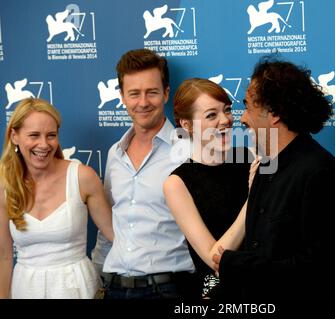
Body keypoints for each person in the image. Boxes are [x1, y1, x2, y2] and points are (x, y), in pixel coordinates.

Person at [212, 57, 335, 299]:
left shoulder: (320, 172)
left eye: (248, 106)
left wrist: (236, 265)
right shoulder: (264, 168)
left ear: (274, 112)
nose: (242, 118)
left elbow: (321, 270)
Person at [91, 49, 195, 299]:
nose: (143, 102)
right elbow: (110, 224)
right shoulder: (115, 153)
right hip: (114, 288)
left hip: (168, 289)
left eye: (152, 92)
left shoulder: (190, 151)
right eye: (134, 93)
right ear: (122, 97)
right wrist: (96, 281)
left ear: (166, 93)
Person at [0, 97, 114, 299]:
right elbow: (4, 256)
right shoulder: (4, 185)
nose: (43, 144)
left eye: (51, 135)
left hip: (78, 288)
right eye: (34, 135)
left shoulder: (82, 177)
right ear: (14, 136)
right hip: (25, 289)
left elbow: (115, 236)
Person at [163, 78, 256, 298]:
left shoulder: (249, 157)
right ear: (186, 126)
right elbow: (214, 259)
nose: (225, 120)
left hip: (259, 285)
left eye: (227, 110)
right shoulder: (177, 184)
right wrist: (254, 196)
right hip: (216, 293)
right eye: (211, 115)